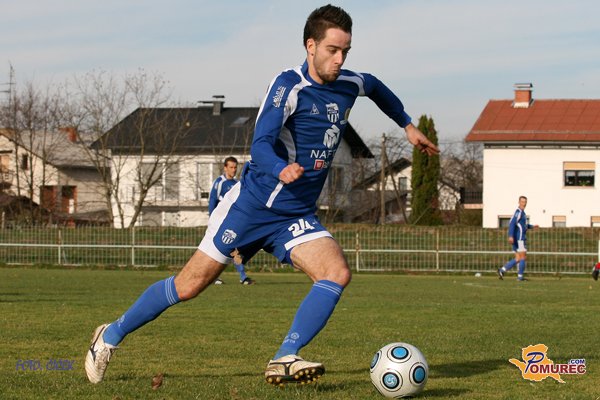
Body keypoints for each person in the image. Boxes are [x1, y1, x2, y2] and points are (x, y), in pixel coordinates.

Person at [85, 4, 439, 387]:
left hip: (295, 214)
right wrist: (279, 168)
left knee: (336, 272)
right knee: (188, 286)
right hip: (251, 206)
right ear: (310, 46)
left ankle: (285, 356)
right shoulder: (288, 86)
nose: (340, 60)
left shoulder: (349, 83)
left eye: (345, 51)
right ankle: (109, 335)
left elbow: (376, 87)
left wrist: (406, 124)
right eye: (332, 50)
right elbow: (261, 144)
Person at [208, 156, 254, 285]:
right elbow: (212, 201)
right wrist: (212, 219)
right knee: (220, 249)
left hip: (233, 222)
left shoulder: (236, 184)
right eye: (231, 167)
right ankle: (217, 276)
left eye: (235, 167)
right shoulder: (219, 182)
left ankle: (242, 277)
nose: (233, 170)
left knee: (234, 249)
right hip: (220, 222)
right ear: (225, 168)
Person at [497, 196, 538, 281]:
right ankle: (520, 277)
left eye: (525, 202)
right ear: (519, 202)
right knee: (523, 257)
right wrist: (510, 235)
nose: (524, 203)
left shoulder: (523, 213)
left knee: (518, 258)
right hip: (519, 239)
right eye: (522, 202)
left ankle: (502, 270)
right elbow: (512, 223)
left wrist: (532, 226)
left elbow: (523, 226)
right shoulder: (518, 212)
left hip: (517, 239)